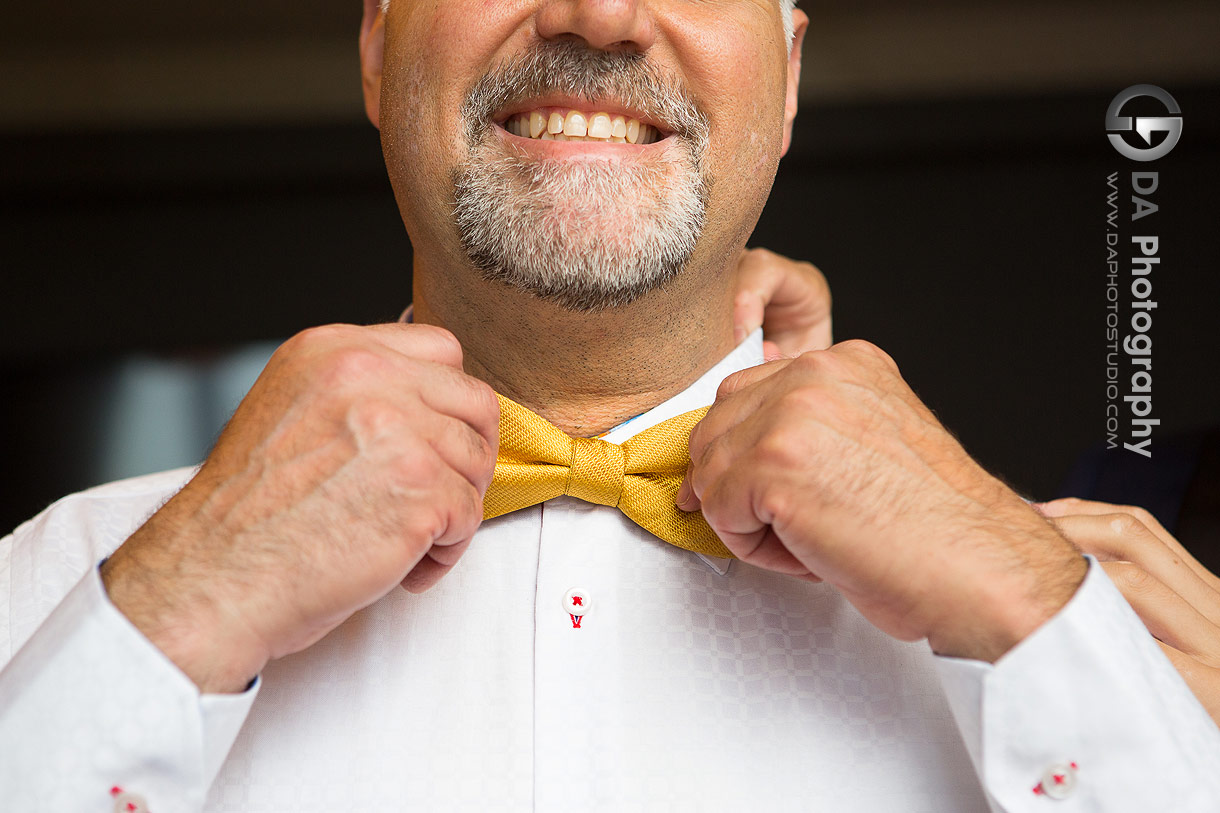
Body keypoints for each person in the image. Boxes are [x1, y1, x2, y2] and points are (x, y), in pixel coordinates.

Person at [2, 2, 1219, 812]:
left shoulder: (1105, 638)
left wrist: (1053, 633)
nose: (597, 12)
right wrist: (168, 614)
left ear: (786, 75)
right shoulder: (60, 583)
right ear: (377, 45)